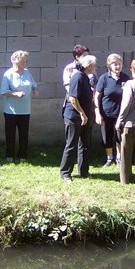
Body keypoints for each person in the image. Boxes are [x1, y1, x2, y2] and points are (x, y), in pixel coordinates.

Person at [59, 55, 97, 183]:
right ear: (88, 66)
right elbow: (73, 98)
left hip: (85, 117)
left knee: (85, 145)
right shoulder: (77, 77)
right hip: (74, 116)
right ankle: (65, 173)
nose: (96, 67)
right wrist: (82, 114)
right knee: (71, 144)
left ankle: (84, 171)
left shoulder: (85, 77)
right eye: (94, 65)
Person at [0, 50, 38, 163]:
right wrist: (15, 94)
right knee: (10, 134)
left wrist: (35, 89)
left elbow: (33, 84)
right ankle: (9, 156)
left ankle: (23, 156)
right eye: (24, 61)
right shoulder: (8, 74)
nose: (26, 63)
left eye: (27, 61)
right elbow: (3, 91)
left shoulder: (27, 72)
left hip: (25, 110)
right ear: (18, 62)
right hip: (11, 111)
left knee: (24, 134)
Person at [94, 53, 130, 167]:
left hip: (121, 114)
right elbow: (97, 96)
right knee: (107, 136)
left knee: (120, 136)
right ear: (109, 65)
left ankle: (119, 157)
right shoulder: (104, 78)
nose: (117, 66)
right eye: (115, 64)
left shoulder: (126, 78)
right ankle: (109, 158)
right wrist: (97, 113)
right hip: (106, 113)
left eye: (119, 64)